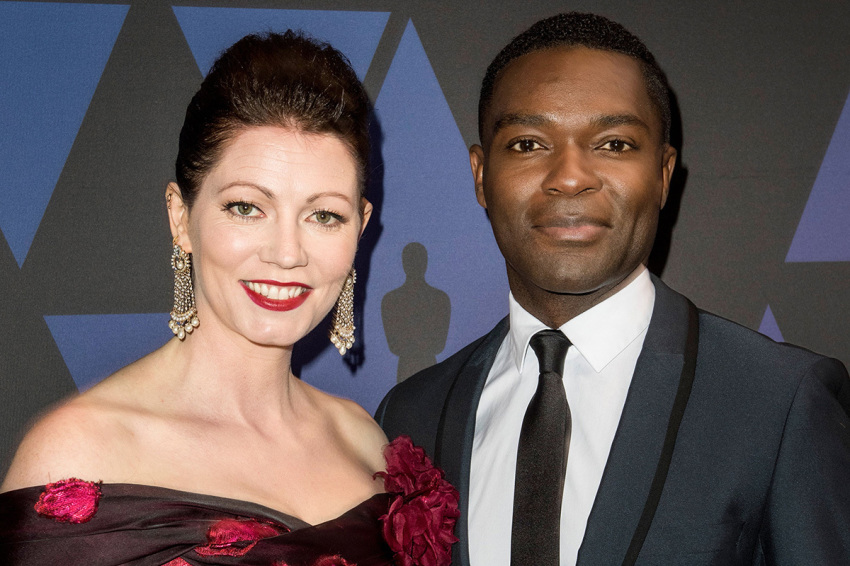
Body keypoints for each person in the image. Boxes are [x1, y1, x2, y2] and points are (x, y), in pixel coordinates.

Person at [376, 12, 850, 566]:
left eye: (615, 144)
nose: (570, 175)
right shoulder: (411, 414)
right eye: (528, 143)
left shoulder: (779, 402)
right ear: (481, 176)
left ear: (664, 174)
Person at [0, 32, 457, 566]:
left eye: (324, 215)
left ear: (361, 227)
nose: (287, 253)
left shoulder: (362, 440)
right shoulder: (78, 456)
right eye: (246, 207)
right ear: (180, 217)